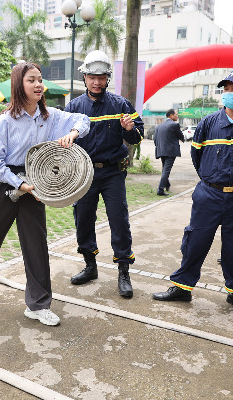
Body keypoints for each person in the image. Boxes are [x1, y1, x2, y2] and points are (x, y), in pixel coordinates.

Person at [0, 62, 90, 326]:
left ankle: (38, 305)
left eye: (40, 80)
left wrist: (72, 134)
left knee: (36, 245)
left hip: (36, 180)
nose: (39, 85)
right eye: (32, 80)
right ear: (19, 84)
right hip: (6, 181)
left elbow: (81, 120)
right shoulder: (6, 120)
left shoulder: (51, 116)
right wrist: (18, 184)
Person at [152, 69, 233, 316]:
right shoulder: (208, 123)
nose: (229, 93)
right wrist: (211, 180)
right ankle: (182, 287)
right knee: (195, 240)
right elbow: (197, 157)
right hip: (209, 194)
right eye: (226, 89)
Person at [65, 50, 144, 298]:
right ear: (84, 77)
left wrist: (130, 130)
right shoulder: (74, 107)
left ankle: (123, 271)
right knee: (83, 219)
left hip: (112, 173)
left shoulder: (121, 105)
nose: (96, 81)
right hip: (84, 174)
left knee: (119, 221)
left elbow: (138, 137)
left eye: (101, 77)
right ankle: (90, 265)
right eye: (91, 77)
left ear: (108, 78)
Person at [154, 109, 185, 196]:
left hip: (161, 150)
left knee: (165, 169)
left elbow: (155, 139)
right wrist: (183, 139)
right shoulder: (174, 125)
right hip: (170, 151)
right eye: (176, 114)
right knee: (166, 170)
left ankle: (167, 185)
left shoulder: (159, 126)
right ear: (171, 116)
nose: (177, 116)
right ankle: (160, 189)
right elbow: (180, 135)